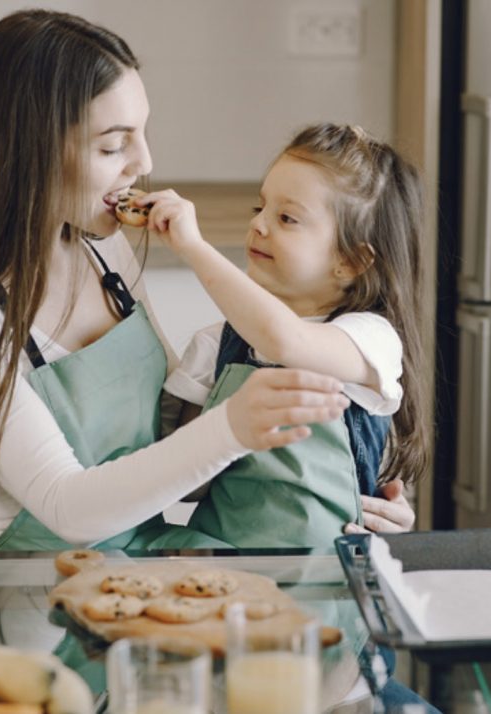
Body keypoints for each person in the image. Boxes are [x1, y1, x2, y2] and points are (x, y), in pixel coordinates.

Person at [0, 10, 414, 552]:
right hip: (37, 601)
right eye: (113, 145)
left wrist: (350, 486)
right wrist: (230, 427)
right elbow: (67, 506)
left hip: (155, 563)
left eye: (142, 134)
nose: (145, 161)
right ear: (28, 150)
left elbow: (170, 456)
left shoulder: (107, 252)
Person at [135, 122, 429, 549]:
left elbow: (288, 344)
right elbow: (188, 488)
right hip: (228, 570)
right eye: (260, 208)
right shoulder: (215, 346)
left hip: (330, 576)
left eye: (287, 217)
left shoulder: (369, 338)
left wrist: (194, 248)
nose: (260, 226)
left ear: (350, 260)